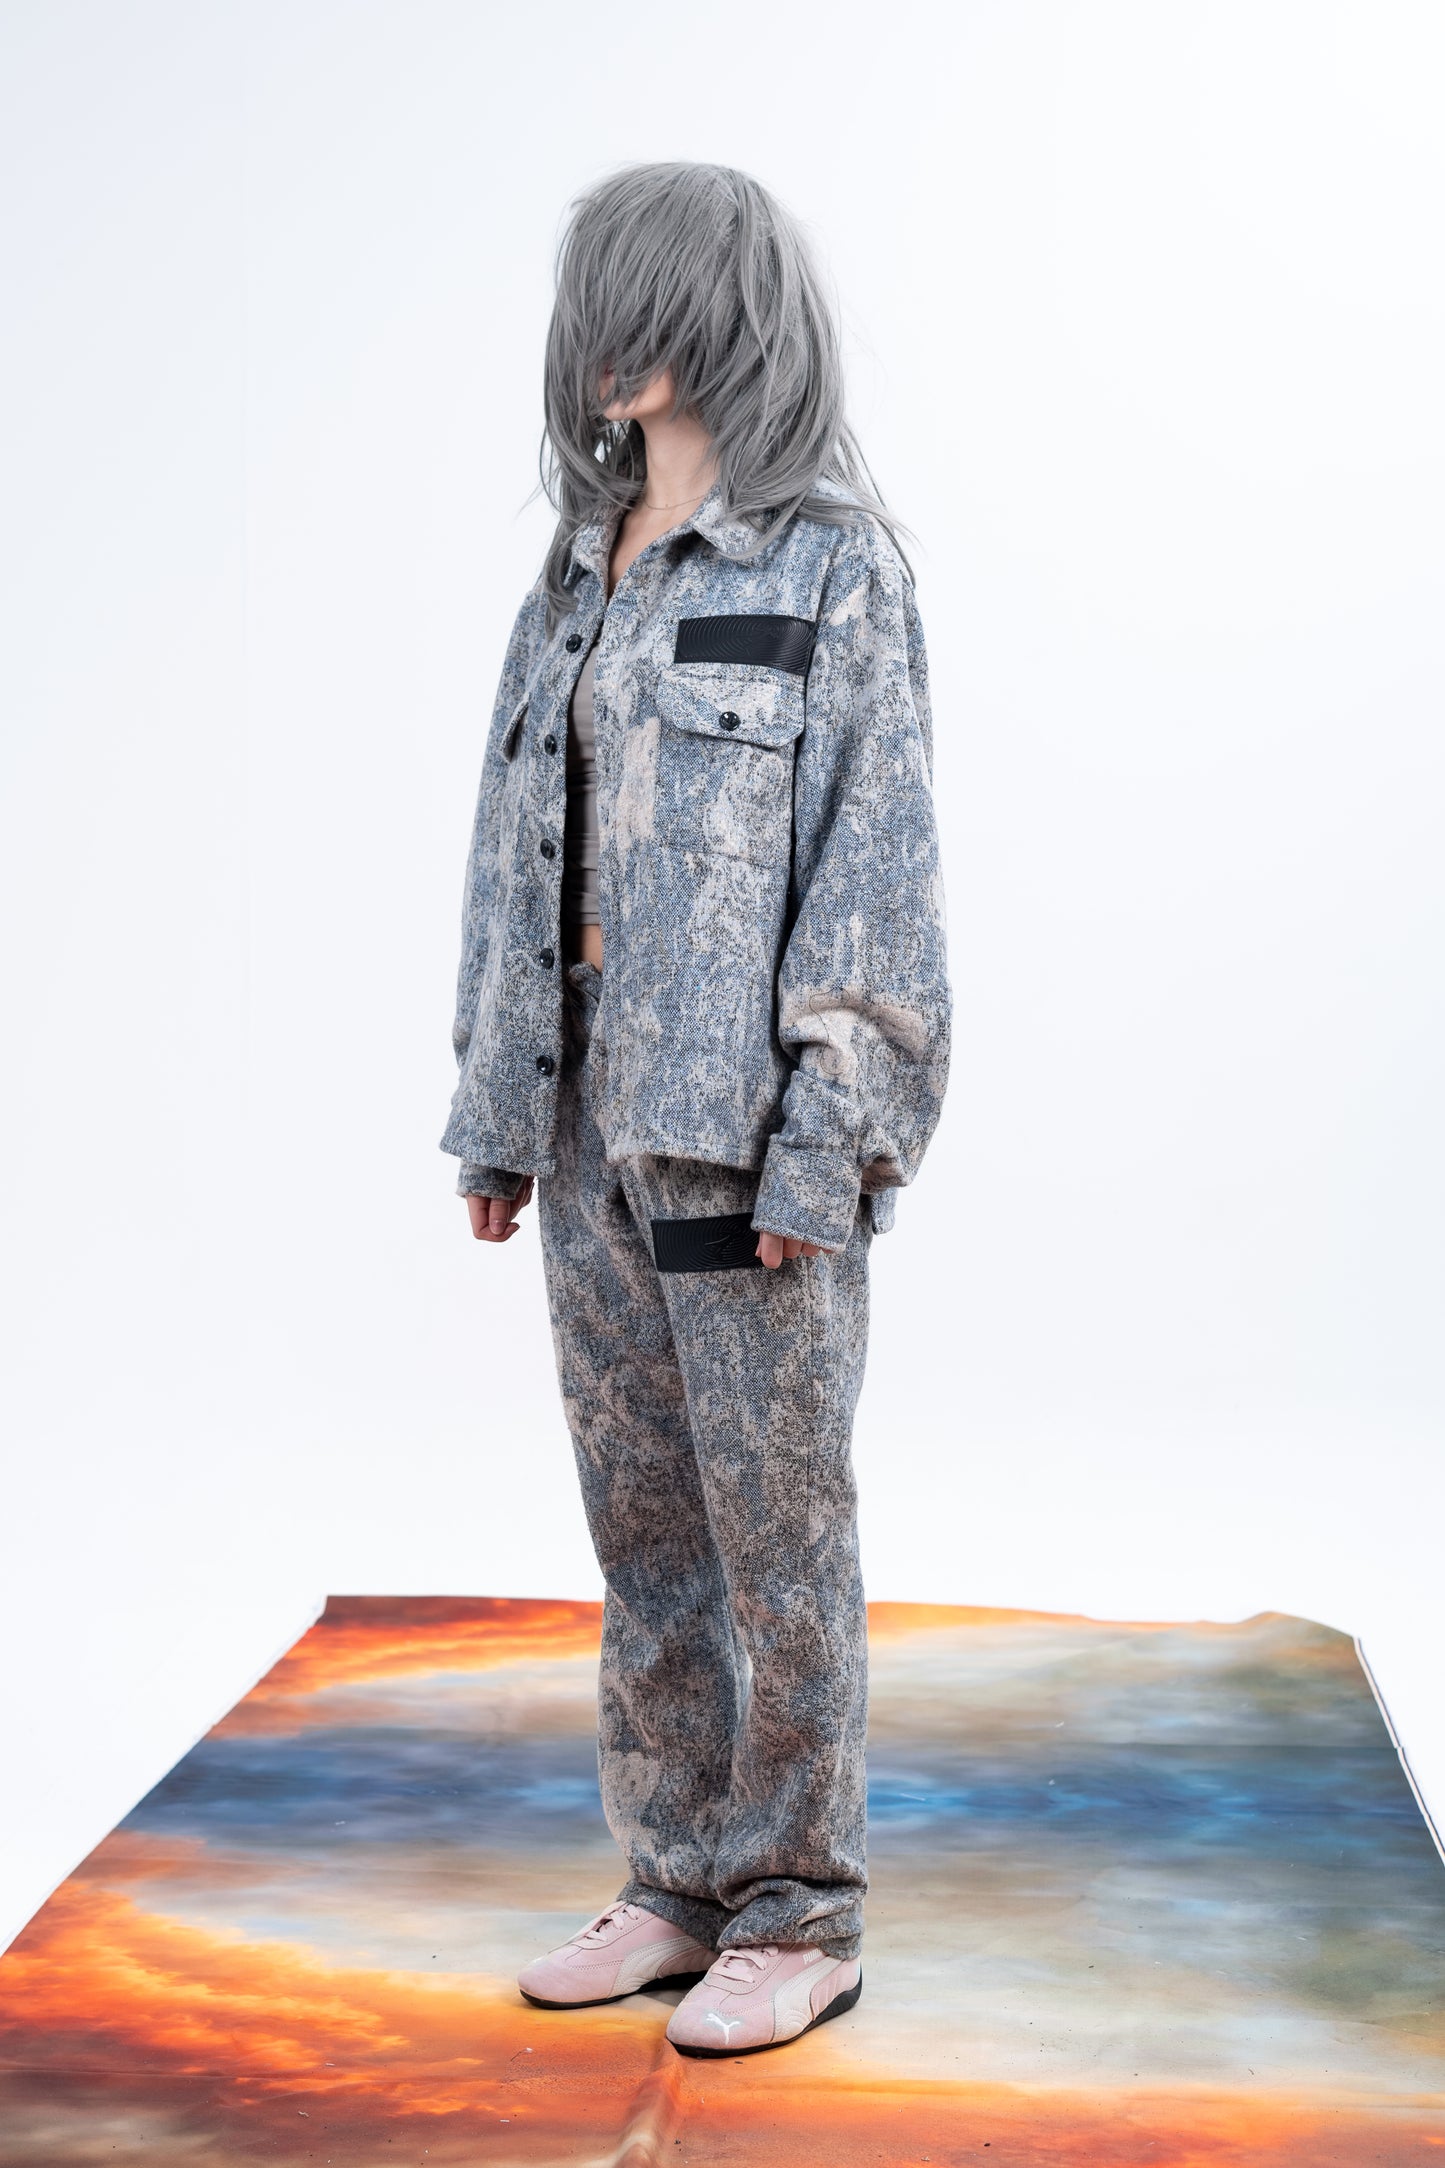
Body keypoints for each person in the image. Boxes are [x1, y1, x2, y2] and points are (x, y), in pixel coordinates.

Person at [441, 162, 950, 2057]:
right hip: (584, 1124)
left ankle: (798, 1909)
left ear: (720, 319)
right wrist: (495, 1112)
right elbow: (508, 847)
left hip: (745, 1142)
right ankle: (673, 1878)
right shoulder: (575, 572)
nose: (611, 342)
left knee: (775, 1541)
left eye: (645, 304)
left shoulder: (831, 567)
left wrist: (833, 1135)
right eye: (597, 303)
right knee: (643, 1531)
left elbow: (873, 877)